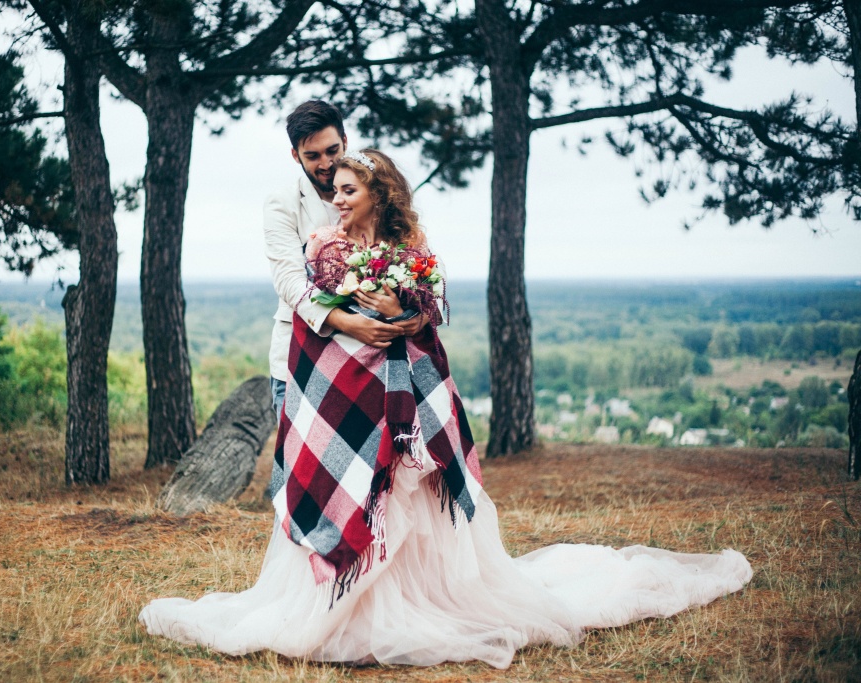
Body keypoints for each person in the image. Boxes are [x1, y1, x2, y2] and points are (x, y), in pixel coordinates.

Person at [138, 149, 752, 669]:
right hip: (348, 396)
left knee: (412, 500)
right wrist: (363, 315)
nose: (337, 198)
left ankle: (413, 603)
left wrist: (406, 312)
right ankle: (340, 607)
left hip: (408, 401)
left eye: (348, 190)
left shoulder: (411, 248)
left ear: (378, 195)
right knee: (353, 489)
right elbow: (313, 312)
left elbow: (430, 307)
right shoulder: (323, 245)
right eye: (335, 189)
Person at [260, 100, 424, 420]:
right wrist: (347, 323)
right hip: (301, 359)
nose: (326, 163)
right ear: (295, 155)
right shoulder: (282, 203)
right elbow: (289, 281)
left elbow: (420, 252)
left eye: (332, 150)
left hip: (376, 365)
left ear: (345, 141)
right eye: (312, 156)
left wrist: (419, 316)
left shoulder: (376, 187)